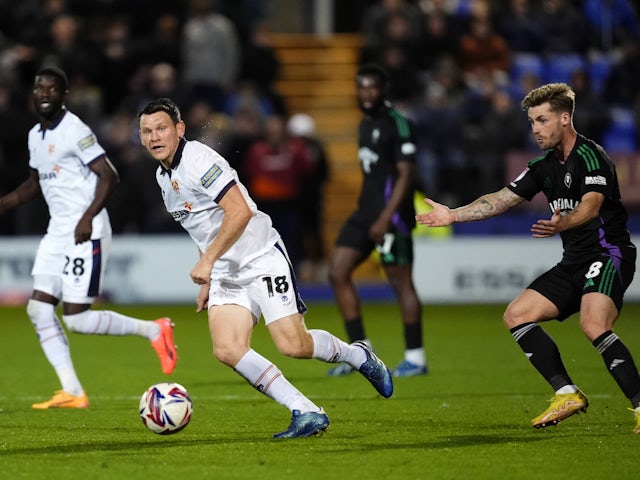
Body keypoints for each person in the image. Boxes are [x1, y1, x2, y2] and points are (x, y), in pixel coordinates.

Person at [136, 97, 393, 439]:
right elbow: (199, 226)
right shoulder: (162, 176)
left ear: (179, 129)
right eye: (146, 131)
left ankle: (358, 355)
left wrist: (208, 260)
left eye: (161, 128)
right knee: (227, 349)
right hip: (227, 272)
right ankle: (305, 411)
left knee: (294, 345)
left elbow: (239, 211)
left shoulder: (199, 160)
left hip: (260, 258)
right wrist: (208, 276)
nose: (154, 137)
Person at [416, 82, 640, 433]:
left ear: (565, 118)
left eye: (542, 120)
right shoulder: (542, 166)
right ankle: (566, 393)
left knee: (593, 324)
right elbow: (501, 199)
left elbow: (591, 207)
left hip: (608, 253)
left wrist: (562, 222)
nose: (535, 129)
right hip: (574, 260)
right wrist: (454, 215)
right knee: (517, 315)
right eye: (532, 121)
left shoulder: (591, 156)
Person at [0, 66, 178, 409]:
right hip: (58, 231)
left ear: (64, 95)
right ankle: (72, 391)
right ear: (32, 95)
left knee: (77, 318)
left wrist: (86, 216)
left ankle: (155, 331)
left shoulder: (74, 129)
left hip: (87, 229)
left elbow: (108, 175)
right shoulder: (35, 135)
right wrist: (6, 202)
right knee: (38, 309)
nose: (45, 94)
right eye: (39, 89)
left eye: (53, 89)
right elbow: (36, 182)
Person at [327, 63, 427, 378]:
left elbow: (407, 173)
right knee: (337, 272)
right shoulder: (364, 124)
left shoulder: (398, 123)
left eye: (372, 87)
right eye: (362, 87)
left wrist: (386, 217)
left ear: (384, 89)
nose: (366, 93)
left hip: (392, 216)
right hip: (365, 212)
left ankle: (416, 358)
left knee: (400, 282)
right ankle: (360, 352)